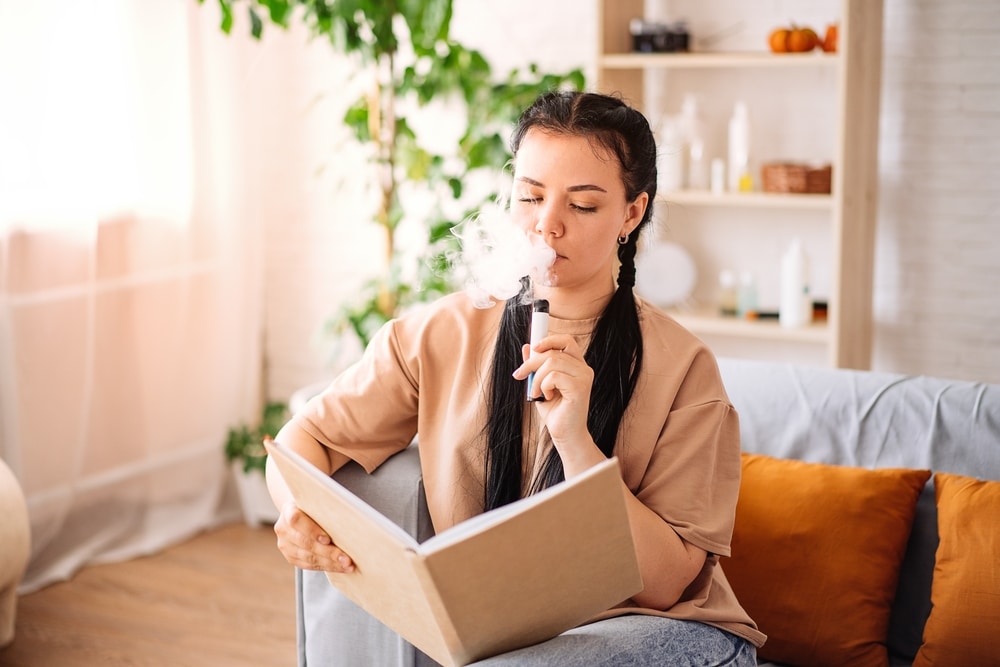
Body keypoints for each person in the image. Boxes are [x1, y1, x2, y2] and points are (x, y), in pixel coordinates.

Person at [267, 90, 765, 666]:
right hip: (506, 635)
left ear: (632, 213)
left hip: (664, 633)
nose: (547, 226)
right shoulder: (441, 334)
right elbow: (307, 441)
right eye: (530, 197)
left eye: (582, 206)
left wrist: (577, 443)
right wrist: (293, 513)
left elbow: (664, 584)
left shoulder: (684, 367)